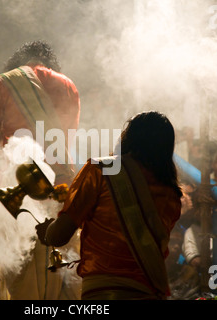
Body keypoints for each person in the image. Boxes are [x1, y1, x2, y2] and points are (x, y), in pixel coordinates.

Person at [36, 111, 183, 300]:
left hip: (102, 292)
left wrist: (48, 232)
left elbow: (59, 235)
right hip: (150, 291)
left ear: (128, 139)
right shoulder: (172, 194)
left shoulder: (101, 169)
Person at [0, 40, 80, 185]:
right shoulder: (68, 84)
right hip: (60, 176)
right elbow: (70, 132)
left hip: (19, 175)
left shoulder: (5, 81)